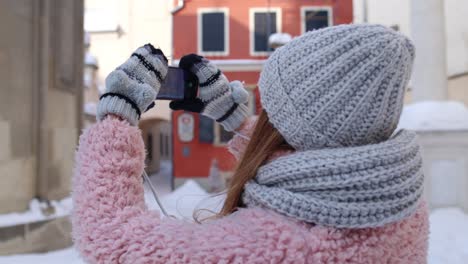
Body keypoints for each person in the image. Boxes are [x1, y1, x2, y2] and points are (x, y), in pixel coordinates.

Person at [72, 24, 428, 263]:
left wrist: (115, 121)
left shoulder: (272, 247)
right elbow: (317, 172)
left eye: (270, 107)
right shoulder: (401, 208)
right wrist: (238, 122)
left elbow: (113, 243)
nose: (264, 111)